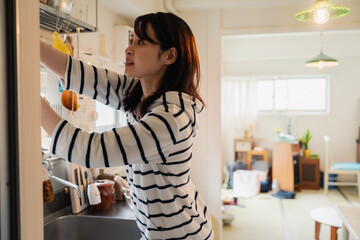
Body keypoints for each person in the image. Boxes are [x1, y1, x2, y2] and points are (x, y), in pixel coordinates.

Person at [40, 12, 213, 240]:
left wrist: (28, 97)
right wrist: (25, 41)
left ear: (169, 56)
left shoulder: (172, 117)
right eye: (131, 40)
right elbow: (79, 73)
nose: (128, 49)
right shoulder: (139, 92)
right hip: (155, 232)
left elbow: (91, 150)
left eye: (140, 42)